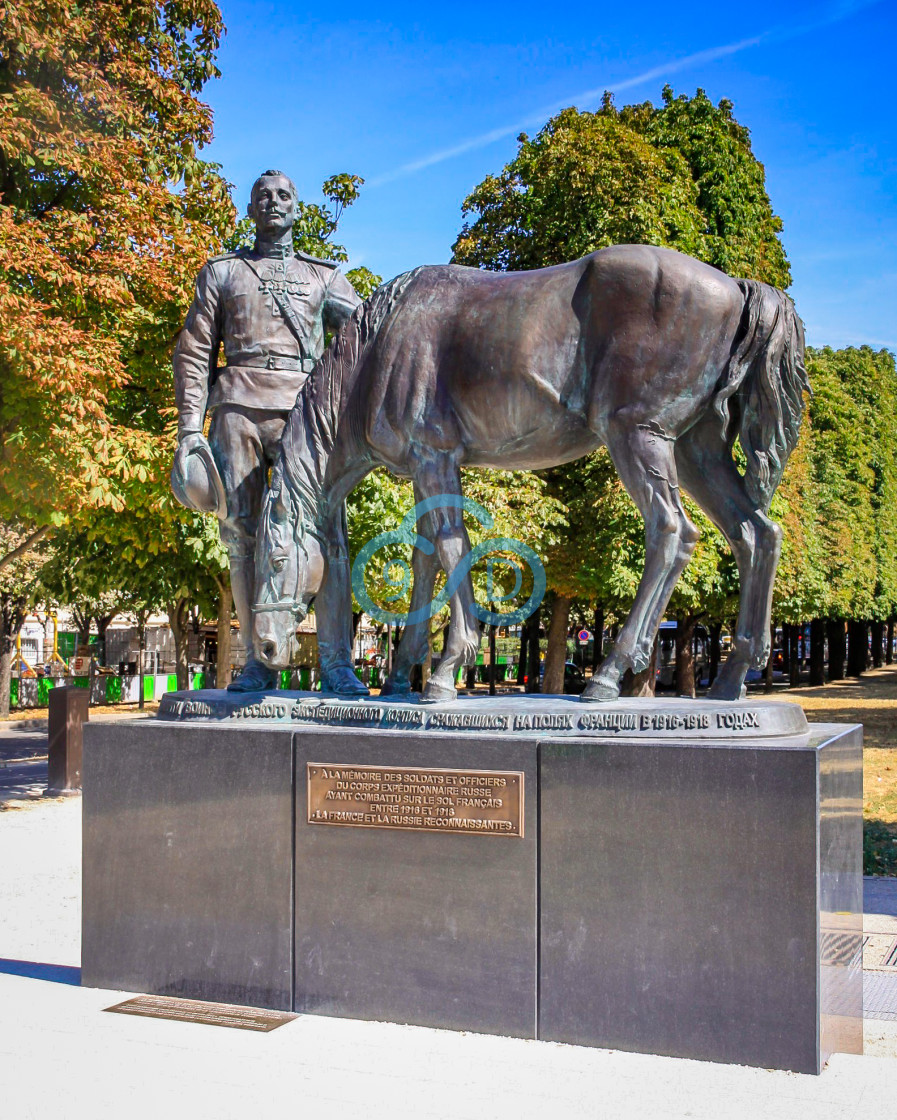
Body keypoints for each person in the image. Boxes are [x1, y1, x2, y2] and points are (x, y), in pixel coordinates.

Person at [172, 169, 365, 693]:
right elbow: (193, 352)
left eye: (284, 196)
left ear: (297, 210)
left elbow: (369, 334)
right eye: (263, 196)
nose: (273, 202)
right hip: (238, 409)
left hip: (309, 414)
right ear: (251, 210)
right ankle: (258, 661)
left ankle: (336, 663)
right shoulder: (224, 273)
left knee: (328, 533)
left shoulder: (324, 278)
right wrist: (190, 429)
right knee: (242, 535)